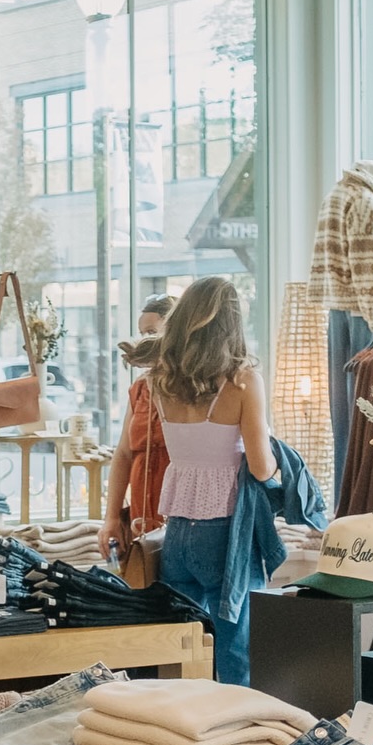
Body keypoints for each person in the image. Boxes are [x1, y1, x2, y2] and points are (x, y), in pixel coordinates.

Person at [147, 278, 276, 685]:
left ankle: (181, 720)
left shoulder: (161, 379)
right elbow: (261, 468)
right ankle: (236, 723)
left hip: (176, 533)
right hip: (224, 533)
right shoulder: (242, 381)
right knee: (236, 649)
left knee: (183, 649)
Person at [103, 295, 177, 565]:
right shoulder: (140, 389)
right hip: (140, 514)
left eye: (152, 332)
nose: (144, 340)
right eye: (142, 333)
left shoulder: (193, 389)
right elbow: (123, 454)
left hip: (177, 514)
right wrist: (111, 518)